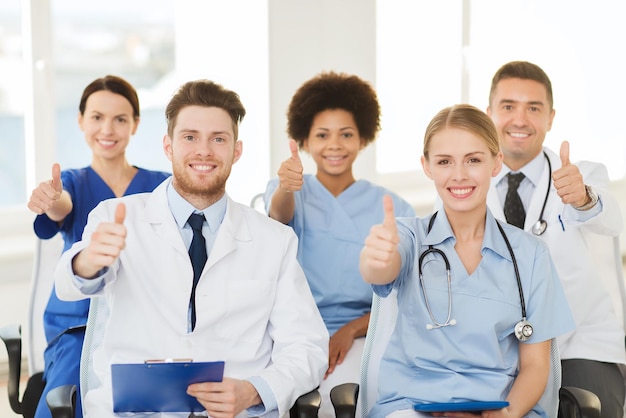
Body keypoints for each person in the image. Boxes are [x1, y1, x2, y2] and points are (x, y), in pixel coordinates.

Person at [54, 79, 329, 417]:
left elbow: (308, 346)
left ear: (236, 151)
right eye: (190, 137)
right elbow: (68, 287)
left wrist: (255, 390)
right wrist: (87, 262)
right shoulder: (116, 217)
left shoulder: (274, 241)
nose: (204, 151)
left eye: (218, 139)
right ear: (168, 146)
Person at [360, 104, 574, 418]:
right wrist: (377, 257)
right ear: (427, 166)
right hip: (413, 406)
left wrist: (503, 415)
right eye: (444, 161)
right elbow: (379, 270)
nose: (459, 174)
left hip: (500, 408)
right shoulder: (407, 236)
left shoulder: (529, 255)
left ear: (496, 163)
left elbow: (535, 366)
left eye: (473, 160)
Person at [264, 71, 415, 417]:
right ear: (304, 140)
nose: (334, 145)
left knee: (348, 399)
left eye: (346, 134)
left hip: (366, 331)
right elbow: (278, 218)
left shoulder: (390, 205)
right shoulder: (289, 193)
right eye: (322, 135)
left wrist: (350, 331)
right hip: (295, 330)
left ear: (363, 138)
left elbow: (404, 293)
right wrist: (288, 185)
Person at [486, 61, 626, 418]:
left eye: (533, 108)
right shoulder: (468, 180)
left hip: (579, 343)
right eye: (508, 107)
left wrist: (583, 197)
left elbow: (612, 220)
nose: (520, 119)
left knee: (584, 408)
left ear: (550, 117)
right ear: (489, 114)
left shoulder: (581, 175)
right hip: (496, 346)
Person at [26, 75, 170, 418]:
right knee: (70, 395)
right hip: (78, 327)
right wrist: (51, 199)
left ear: (135, 124)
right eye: (96, 117)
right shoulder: (73, 183)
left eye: (120, 119)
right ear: (80, 121)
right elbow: (63, 204)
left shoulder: (161, 186)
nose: (108, 129)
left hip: (145, 321)